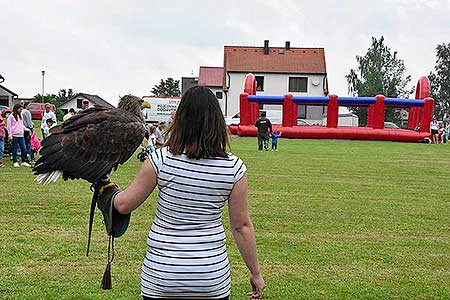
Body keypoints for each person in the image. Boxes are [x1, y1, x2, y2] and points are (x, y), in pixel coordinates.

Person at [97, 86, 265, 299]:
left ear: (181, 118)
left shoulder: (160, 159)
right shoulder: (234, 168)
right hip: (210, 276)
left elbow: (122, 205)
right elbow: (241, 226)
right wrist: (256, 273)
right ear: (217, 121)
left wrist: (105, 186)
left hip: (162, 274)